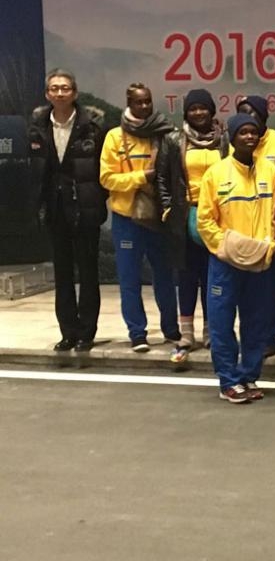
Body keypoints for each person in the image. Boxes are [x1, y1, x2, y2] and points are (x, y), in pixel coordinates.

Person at [197, 113, 275, 404]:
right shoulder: (216, 174)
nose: (249, 137)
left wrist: (268, 247)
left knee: (256, 321)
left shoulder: (270, 172)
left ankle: (248, 375)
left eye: (253, 132)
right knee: (221, 321)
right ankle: (228, 380)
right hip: (225, 263)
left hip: (259, 261)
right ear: (232, 137)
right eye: (242, 132)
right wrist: (227, 248)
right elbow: (205, 220)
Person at [29, 69, 107, 352]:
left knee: (88, 273)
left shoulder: (93, 125)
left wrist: (96, 199)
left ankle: (87, 332)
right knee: (62, 274)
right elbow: (37, 169)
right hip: (55, 207)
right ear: (47, 94)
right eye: (54, 88)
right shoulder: (38, 124)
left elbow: (103, 169)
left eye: (64, 88)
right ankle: (67, 332)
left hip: (86, 208)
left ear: (74, 93)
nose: (59, 93)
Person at [99, 83, 180, 352]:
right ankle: (137, 334)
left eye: (148, 101)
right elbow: (107, 178)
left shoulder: (163, 133)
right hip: (127, 218)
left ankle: (171, 330)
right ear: (128, 102)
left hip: (159, 217)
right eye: (139, 102)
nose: (144, 107)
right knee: (129, 278)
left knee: (165, 276)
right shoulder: (115, 137)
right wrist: (140, 177)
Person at [156, 89, 225, 363]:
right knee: (186, 275)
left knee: (213, 275)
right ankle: (187, 333)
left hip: (216, 216)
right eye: (193, 108)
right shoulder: (174, 140)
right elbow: (162, 177)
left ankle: (211, 330)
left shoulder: (224, 140)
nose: (198, 113)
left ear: (212, 111)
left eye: (203, 108)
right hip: (185, 215)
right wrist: (167, 208)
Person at [234, 95, 275, 357]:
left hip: (272, 225)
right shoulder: (235, 142)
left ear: (264, 116)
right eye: (242, 113)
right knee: (247, 291)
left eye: (253, 113)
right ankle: (250, 336)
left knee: (272, 287)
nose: (248, 118)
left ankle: (270, 337)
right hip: (242, 227)